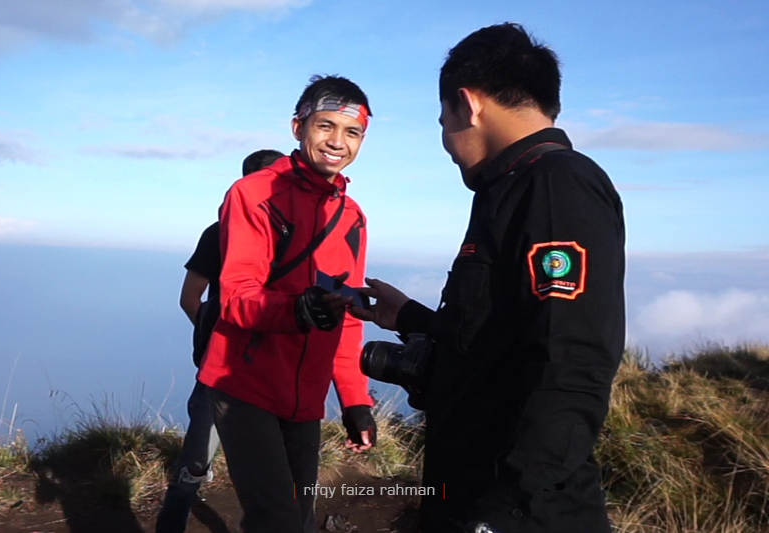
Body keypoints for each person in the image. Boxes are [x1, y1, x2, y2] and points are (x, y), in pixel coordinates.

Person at [351, 24, 625, 533]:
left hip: (520, 508)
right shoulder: (508, 189)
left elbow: (571, 362)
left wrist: (510, 510)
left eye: (442, 121)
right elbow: (498, 341)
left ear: (468, 104)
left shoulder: (554, 185)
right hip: (470, 488)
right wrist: (409, 318)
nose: (447, 142)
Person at [196, 75, 377, 533]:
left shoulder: (352, 216)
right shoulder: (254, 194)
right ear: (298, 127)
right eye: (325, 126)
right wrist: (297, 311)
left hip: (306, 396)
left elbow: (348, 316)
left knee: (297, 515)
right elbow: (236, 295)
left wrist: (355, 399)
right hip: (244, 383)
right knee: (275, 519)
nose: (338, 141)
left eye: (352, 132)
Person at [155, 149, 285, 533]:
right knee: (197, 459)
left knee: (263, 466)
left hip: (268, 365)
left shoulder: (292, 237)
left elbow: (190, 299)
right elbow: (190, 298)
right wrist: (221, 342)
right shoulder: (219, 234)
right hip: (224, 370)